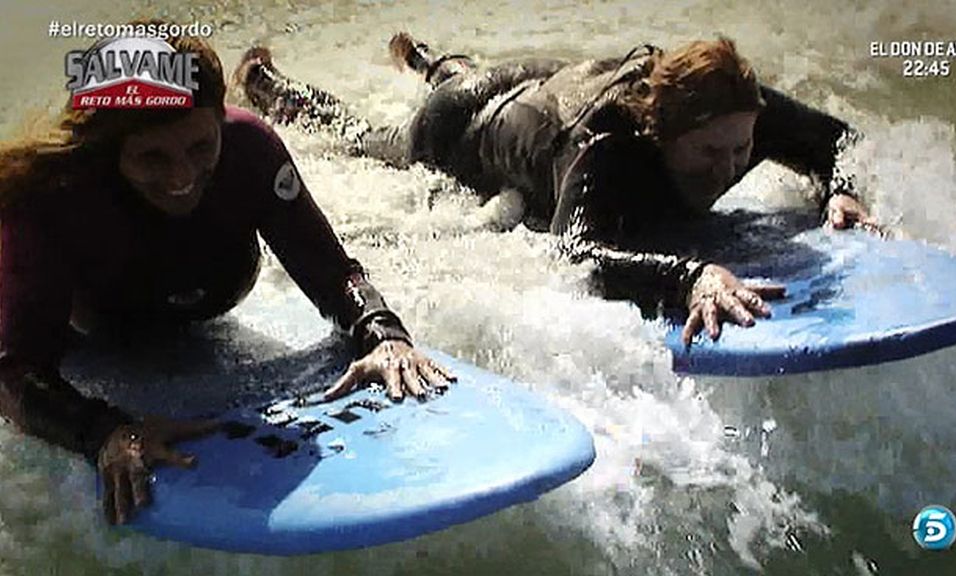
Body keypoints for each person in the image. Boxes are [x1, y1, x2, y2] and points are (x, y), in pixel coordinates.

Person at [0, 28, 454, 526]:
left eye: (200, 146)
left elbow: (331, 273)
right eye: (153, 157)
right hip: (97, 334)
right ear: (107, 151)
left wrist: (382, 333)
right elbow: (13, 374)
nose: (181, 177)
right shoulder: (52, 195)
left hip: (206, 306)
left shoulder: (248, 149)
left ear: (220, 120)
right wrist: (102, 432)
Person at [233, 34, 876, 345]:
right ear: (661, 129)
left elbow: (838, 140)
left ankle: (424, 57)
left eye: (742, 149)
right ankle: (267, 83)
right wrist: (688, 277)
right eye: (709, 153)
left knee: (470, 78)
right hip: (469, 125)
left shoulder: (740, 110)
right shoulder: (611, 146)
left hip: (548, 87)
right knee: (372, 140)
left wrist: (840, 190)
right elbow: (575, 252)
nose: (730, 164)